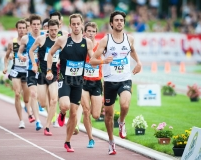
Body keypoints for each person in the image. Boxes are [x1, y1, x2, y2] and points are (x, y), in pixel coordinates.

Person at [90, 11, 142, 155]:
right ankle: (111, 142)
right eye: (116, 20)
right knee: (108, 114)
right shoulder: (105, 40)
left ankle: (122, 122)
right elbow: (92, 60)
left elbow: (132, 51)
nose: (119, 22)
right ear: (111, 23)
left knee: (125, 104)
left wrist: (138, 62)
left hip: (124, 79)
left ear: (124, 23)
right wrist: (103, 60)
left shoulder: (129, 38)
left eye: (121, 20)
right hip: (109, 81)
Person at [46, 13, 94, 152]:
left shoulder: (87, 42)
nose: (76, 26)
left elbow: (93, 59)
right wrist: (49, 70)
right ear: (70, 25)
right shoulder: (62, 40)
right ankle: (61, 113)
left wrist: (102, 61)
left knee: (73, 114)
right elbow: (50, 54)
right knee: (65, 105)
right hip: (64, 79)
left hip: (78, 81)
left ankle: (67, 142)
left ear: (82, 24)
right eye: (73, 24)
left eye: (78, 24)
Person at [74, 22, 103, 149]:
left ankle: (84, 115)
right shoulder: (80, 46)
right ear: (84, 32)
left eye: (93, 31)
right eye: (89, 31)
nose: (91, 33)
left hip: (96, 82)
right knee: (86, 111)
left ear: (96, 33)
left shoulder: (101, 47)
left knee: (95, 115)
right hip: (83, 82)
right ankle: (91, 139)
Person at [29, 19, 60, 136]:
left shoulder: (61, 41)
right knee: (42, 103)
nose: (53, 32)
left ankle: (47, 127)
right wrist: (33, 64)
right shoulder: (41, 39)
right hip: (42, 74)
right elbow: (31, 51)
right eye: (51, 30)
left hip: (54, 74)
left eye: (55, 30)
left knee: (53, 100)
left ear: (58, 29)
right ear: (47, 29)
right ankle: (45, 112)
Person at [3, 19, 35, 129]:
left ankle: (29, 112)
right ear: (17, 29)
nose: (21, 30)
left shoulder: (30, 41)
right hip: (16, 71)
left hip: (26, 71)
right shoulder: (12, 43)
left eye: (23, 28)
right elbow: (6, 56)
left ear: (27, 29)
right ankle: (21, 120)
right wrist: (6, 66)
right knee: (17, 93)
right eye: (19, 28)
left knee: (26, 99)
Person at [18, 14, 44, 131]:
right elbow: (19, 52)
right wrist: (21, 56)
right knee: (33, 94)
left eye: (38, 24)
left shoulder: (45, 36)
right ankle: (38, 121)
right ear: (30, 26)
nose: (36, 26)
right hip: (31, 69)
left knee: (43, 100)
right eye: (34, 24)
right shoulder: (26, 38)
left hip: (43, 70)